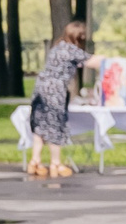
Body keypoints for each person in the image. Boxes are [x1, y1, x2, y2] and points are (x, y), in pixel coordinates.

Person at [29, 20, 96, 179]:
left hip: (40, 88)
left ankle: (35, 161)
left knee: (40, 126)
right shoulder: (71, 50)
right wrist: (113, 62)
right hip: (55, 90)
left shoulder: (57, 47)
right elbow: (92, 61)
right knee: (55, 126)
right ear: (79, 37)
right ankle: (56, 163)